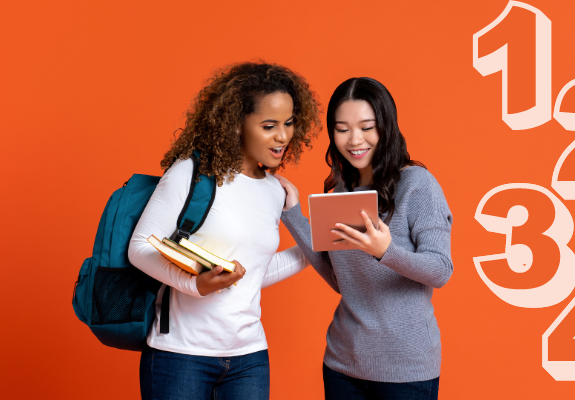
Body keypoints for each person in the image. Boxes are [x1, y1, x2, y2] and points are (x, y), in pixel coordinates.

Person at [127, 61, 322, 400]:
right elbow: (140, 246)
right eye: (269, 125)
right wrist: (195, 284)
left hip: (250, 357)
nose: (283, 136)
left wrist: (317, 235)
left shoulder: (275, 192)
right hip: (181, 355)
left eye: (289, 123)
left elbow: (253, 272)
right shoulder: (192, 173)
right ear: (237, 125)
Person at [277, 77, 453, 400]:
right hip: (343, 363)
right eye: (342, 129)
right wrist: (293, 213)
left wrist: (386, 251)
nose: (354, 139)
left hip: (406, 369)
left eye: (366, 127)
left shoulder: (417, 185)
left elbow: (441, 269)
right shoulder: (344, 190)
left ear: (386, 126)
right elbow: (341, 279)